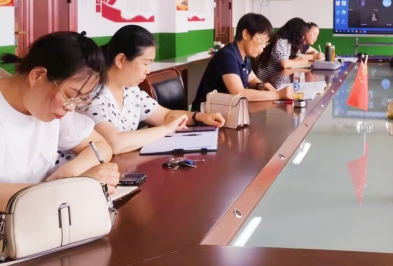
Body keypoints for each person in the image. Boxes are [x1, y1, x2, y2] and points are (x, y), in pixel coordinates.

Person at [0, 32, 120, 210]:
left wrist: (68, 173)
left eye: (80, 100)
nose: (71, 107)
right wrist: (67, 188)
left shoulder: (46, 106)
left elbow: (101, 146)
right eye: (70, 95)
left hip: (41, 214)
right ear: (38, 75)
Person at [80, 26, 225, 155]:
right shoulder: (92, 95)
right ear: (121, 60)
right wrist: (166, 129)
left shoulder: (131, 91)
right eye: (145, 63)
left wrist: (199, 117)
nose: (148, 71)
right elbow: (114, 143)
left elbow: (166, 115)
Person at [192, 13, 294, 109]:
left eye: (265, 42)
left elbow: (251, 79)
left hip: (226, 110)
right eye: (262, 41)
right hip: (206, 113)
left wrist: (261, 85)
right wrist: (278, 94)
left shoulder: (244, 56)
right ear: (246, 34)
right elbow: (239, 93)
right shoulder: (227, 56)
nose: (263, 47)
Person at [256, 17, 311, 83]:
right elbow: (285, 64)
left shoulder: (289, 43)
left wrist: (297, 60)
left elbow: (294, 58)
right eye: (302, 35)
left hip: (277, 79)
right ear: (297, 33)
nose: (303, 38)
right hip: (266, 81)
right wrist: (302, 61)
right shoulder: (281, 41)